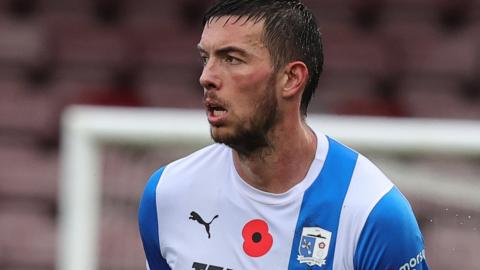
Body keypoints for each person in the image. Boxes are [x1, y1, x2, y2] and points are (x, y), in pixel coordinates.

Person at [138, 0, 430, 269]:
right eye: (206, 58)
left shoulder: (372, 214)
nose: (206, 77)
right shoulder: (167, 194)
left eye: (232, 59)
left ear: (291, 78)